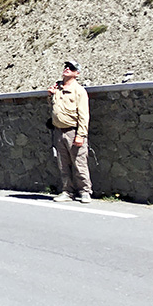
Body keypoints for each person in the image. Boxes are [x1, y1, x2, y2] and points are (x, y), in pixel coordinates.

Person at [48, 60, 91, 203]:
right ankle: (67, 191)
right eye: (66, 67)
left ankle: (85, 191)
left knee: (79, 163)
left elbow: (84, 115)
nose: (67, 69)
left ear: (76, 73)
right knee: (63, 163)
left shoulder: (79, 91)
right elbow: (54, 108)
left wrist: (81, 135)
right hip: (59, 131)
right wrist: (51, 95)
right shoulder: (57, 88)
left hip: (73, 131)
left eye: (71, 68)